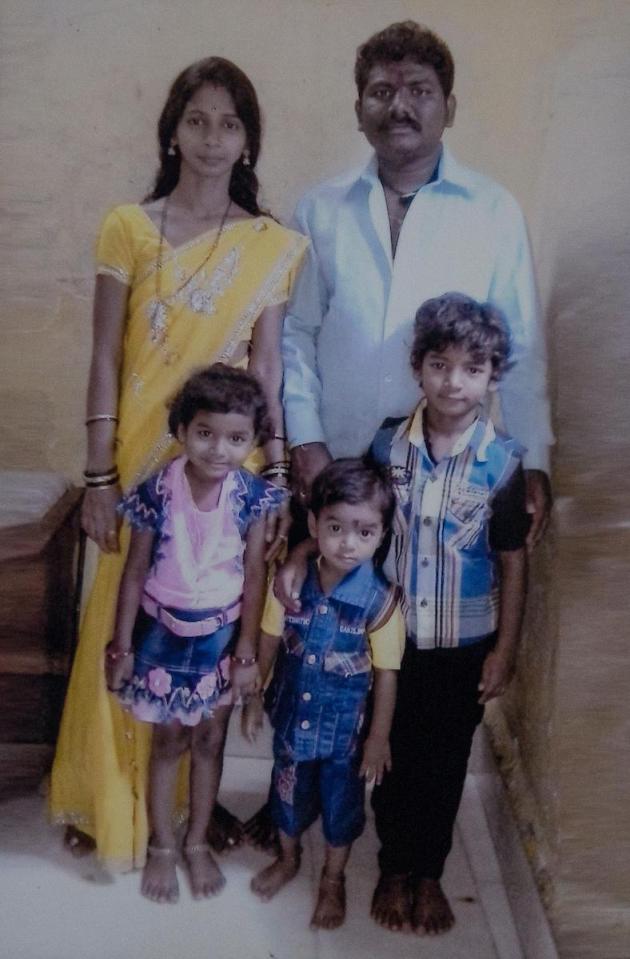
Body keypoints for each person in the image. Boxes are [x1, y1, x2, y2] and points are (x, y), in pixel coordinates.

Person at [49, 56, 307, 871]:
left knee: (211, 616)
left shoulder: (271, 245)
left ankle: (192, 812)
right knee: (120, 618)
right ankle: (106, 798)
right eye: (196, 119)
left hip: (226, 472)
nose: (211, 137)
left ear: (249, 141)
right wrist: (98, 475)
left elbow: (266, 373)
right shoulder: (128, 225)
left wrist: (269, 483)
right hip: (138, 462)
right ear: (171, 129)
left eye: (230, 122)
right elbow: (103, 355)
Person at [282, 21, 553, 544]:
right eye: (381, 92)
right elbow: (296, 335)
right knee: (329, 619)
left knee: (437, 623)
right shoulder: (320, 210)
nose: (399, 106)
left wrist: (533, 458)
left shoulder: (493, 211)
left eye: (420, 92)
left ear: (448, 109)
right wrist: (304, 439)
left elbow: (520, 345)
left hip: (453, 477)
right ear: (358, 110)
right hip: (335, 468)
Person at [367, 292, 530, 934]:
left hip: (465, 644)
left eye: (472, 368)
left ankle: (427, 870)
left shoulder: (503, 462)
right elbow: (367, 538)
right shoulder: (387, 447)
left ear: (492, 376)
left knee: (444, 759)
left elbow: (514, 562)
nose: (453, 381)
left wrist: (505, 650)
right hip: (394, 641)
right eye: (440, 364)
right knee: (387, 751)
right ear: (418, 367)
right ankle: (391, 865)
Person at [106, 365, 286, 902]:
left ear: (253, 441)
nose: (218, 450)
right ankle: (163, 844)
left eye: (236, 438)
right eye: (205, 433)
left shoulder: (252, 497)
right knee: (168, 743)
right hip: (161, 639)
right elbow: (134, 573)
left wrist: (248, 650)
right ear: (181, 430)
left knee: (210, 740)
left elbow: (256, 574)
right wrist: (122, 646)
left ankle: (197, 839)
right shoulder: (156, 492)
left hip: (222, 641)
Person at [244, 459, 404, 929]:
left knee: (341, 808)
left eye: (364, 531)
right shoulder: (290, 585)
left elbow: (387, 675)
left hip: (346, 739)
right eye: (335, 528)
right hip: (292, 720)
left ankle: (333, 878)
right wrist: (255, 698)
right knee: (286, 796)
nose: (347, 543)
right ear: (313, 524)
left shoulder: (382, 603)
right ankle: (289, 857)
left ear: (381, 534)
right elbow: (269, 641)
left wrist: (378, 739)